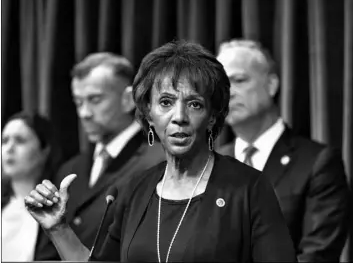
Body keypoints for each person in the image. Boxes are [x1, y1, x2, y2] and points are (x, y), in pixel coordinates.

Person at [24, 40, 296, 262]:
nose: (179, 116)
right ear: (149, 115)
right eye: (165, 102)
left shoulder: (249, 188)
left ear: (212, 117)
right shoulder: (135, 189)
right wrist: (58, 228)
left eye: (195, 104)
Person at [216, 39, 351, 262]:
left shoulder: (317, 162)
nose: (228, 93)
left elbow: (318, 255)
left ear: (271, 85)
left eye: (239, 80)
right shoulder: (209, 165)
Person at [37, 52, 165, 260]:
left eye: (94, 100)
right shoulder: (70, 169)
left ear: (128, 99)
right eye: (78, 102)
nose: (84, 113)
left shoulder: (160, 161)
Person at [1, 111, 63, 261]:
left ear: (44, 149)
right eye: (4, 140)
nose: (9, 148)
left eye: (20, 140)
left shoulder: (58, 209)